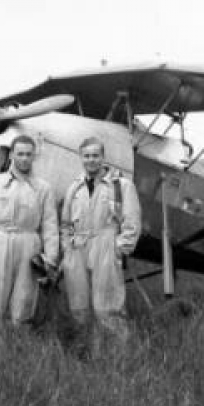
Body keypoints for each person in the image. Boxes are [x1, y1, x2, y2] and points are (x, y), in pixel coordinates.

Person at [0, 134, 59, 352]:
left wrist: (50, 260)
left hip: (29, 247)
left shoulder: (43, 188)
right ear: (12, 155)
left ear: (34, 156)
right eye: (20, 154)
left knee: (23, 304)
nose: (25, 159)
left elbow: (50, 226)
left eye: (29, 154)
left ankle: (15, 355)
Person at [60, 136, 141, 350]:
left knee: (108, 307)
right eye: (86, 156)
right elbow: (66, 223)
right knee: (78, 306)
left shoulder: (121, 186)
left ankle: (114, 358)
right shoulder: (74, 188)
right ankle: (84, 353)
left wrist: (119, 250)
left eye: (95, 155)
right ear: (80, 158)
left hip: (106, 245)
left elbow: (131, 222)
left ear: (103, 157)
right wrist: (67, 250)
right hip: (78, 248)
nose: (91, 160)